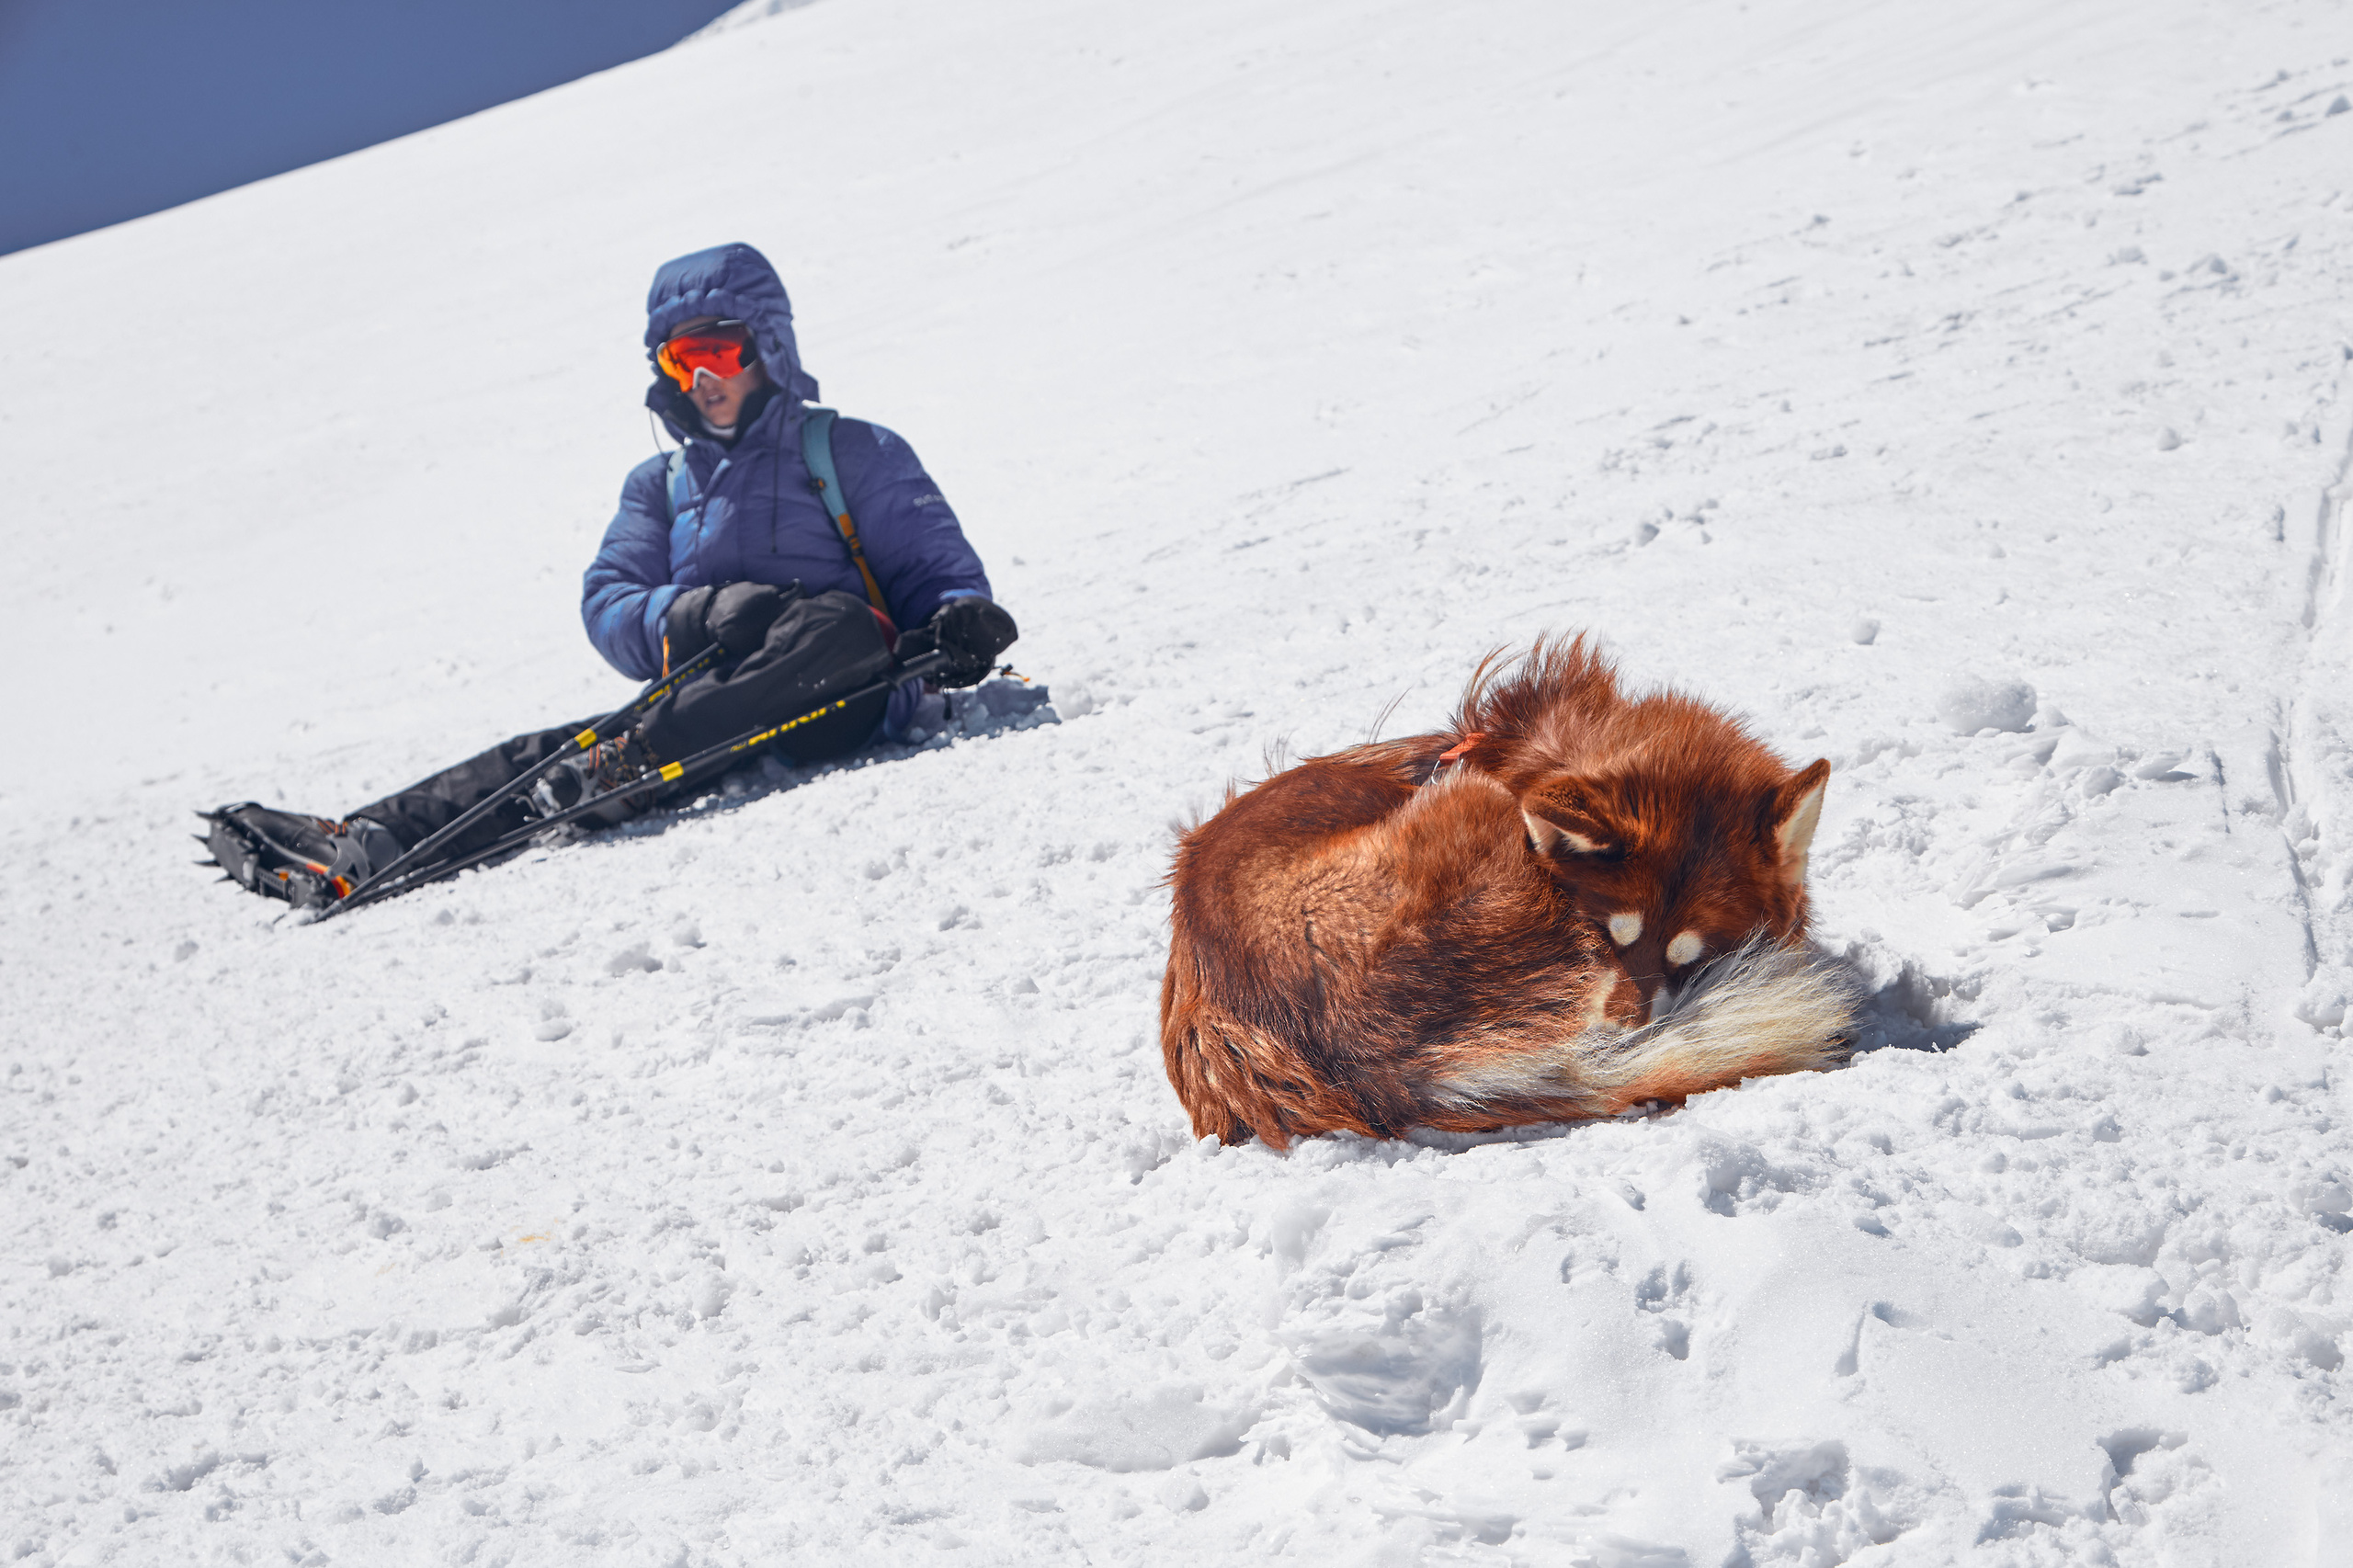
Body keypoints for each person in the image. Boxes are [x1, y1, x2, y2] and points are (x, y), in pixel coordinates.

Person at [202, 243, 1017, 908]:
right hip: (701, 701)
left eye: (720, 351)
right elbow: (609, 600)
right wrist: (700, 613)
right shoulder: (658, 487)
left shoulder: (851, 452)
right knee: (566, 745)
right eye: (682, 358)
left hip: (841, 692)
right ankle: (361, 841)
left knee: (832, 626)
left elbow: (941, 576)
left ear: (766, 347)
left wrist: (962, 625)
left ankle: (631, 762)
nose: (704, 379)